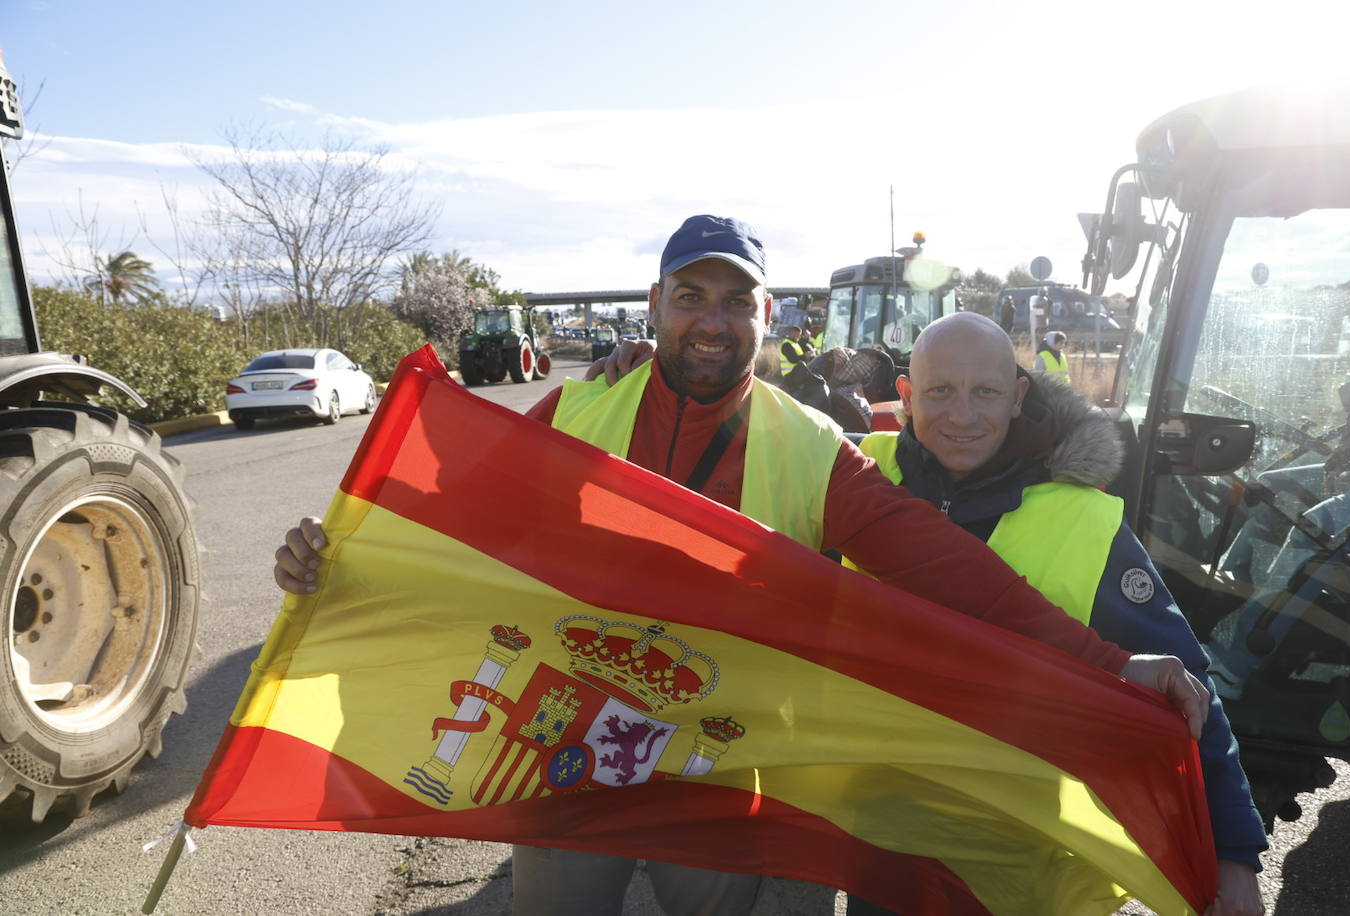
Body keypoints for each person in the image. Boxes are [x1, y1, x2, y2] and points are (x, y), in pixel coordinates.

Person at [275, 215, 1211, 916]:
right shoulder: (574, 415)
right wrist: (336, 559)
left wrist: (1109, 666)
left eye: (734, 301)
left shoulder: (811, 447)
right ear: (654, 307)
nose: (711, 322)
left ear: (767, 316)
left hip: (724, 761)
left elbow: (947, 571)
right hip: (563, 755)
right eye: (690, 297)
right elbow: (446, 525)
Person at [843, 312, 1266, 916]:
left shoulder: (1084, 522)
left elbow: (1186, 692)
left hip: (1021, 860)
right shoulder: (856, 477)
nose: (963, 415)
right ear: (905, 395)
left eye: (985, 392)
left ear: (1018, 397)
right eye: (940, 391)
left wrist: (1234, 855)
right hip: (885, 844)